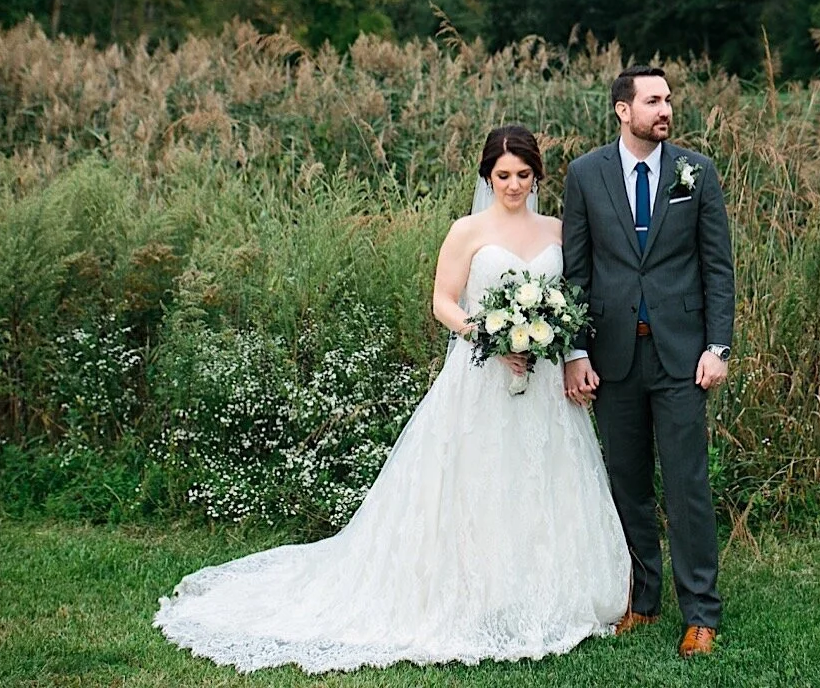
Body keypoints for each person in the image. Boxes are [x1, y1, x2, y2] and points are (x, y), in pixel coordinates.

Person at [154, 125, 629, 673]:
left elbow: (569, 298)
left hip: (542, 380)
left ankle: (546, 589)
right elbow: (443, 302)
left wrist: (552, 342)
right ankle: (474, 592)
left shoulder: (558, 230)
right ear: (487, 176)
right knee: (474, 481)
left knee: (541, 477)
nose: (514, 185)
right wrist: (490, 337)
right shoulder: (467, 230)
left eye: (524, 175)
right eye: (503, 175)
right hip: (481, 376)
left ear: (537, 176)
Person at [562, 65, 735, 659]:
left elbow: (717, 267)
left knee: (687, 486)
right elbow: (576, 271)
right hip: (613, 357)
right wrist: (576, 352)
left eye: (668, 100)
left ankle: (701, 614)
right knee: (627, 485)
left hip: (683, 356)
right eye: (653, 100)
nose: (665, 110)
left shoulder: (697, 173)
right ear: (622, 109)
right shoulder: (586, 175)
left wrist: (718, 348)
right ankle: (643, 598)